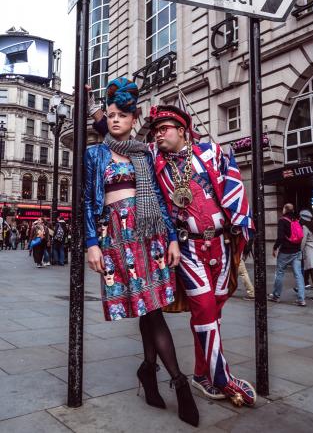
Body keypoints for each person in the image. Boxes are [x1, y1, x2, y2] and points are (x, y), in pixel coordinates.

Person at [90, 97, 256, 407]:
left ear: (183, 130)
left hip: (220, 244)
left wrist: (241, 229)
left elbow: (234, 188)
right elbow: (118, 136)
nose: (157, 135)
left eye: (163, 129)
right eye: (154, 131)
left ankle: (202, 375)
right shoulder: (152, 157)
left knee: (213, 312)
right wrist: (97, 109)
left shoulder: (212, 152)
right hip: (188, 245)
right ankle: (222, 378)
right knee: (204, 308)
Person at [85, 78, 199, 427]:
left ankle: (155, 373)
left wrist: (172, 240)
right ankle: (174, 381)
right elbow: (88, 203)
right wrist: (90, 242)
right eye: (112, 114)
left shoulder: (145, 154)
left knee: (151, 309)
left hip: (148, 235)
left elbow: (164, 202)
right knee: (148, 310)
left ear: (134, 120)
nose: (116, 119)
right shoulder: (95, 154)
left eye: (123, 115)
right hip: (116, 237)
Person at [268, 203, 306, 306]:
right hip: (297, 251)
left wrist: (275, 247)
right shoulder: (297, 219)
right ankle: (301, 299)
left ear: (285, 209)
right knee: (298, 275)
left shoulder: (282, 220)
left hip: (285, 251)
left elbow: (280, 237)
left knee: (280, 273)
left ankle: (276, 296)